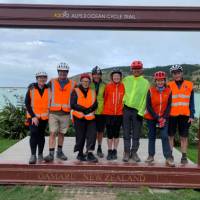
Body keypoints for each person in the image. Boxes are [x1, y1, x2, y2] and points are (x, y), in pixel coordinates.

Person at [44, 63, 76, 162]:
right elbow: (42, 88)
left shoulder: (73, 84)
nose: (63, 73)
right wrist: (33, 85)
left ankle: (59, 152)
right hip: (53, 113)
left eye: (65, 72)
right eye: (61, 71)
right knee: (53, 132)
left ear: (67, 73)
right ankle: (51, 154)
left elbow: (81, 91)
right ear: (58, 72)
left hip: (66, 113)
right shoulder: (52, 82)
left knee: (62, 133)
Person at [144, 71, 175, 167]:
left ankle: (168, 157)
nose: (160, 82)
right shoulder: (150, 90)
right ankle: (150, 155)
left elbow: (169, 106)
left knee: (165, 136)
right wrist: (157, 117)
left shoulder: (169, 91)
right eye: (158, 80)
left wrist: (164, 117)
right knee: (151, 136)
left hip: (164, 118)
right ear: (155, 81)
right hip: (152, 117)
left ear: (165, 81)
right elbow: (148, 106)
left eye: (162, 80)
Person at [122, 60, 149, 162]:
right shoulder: (126, 79)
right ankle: (126, 152)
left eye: (138, 69)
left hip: (137, 111)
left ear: (141, 70)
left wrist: (141, 112)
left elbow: (146, 99)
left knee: (136, 133)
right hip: (126, 109)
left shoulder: (146, 82)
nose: (136, 70)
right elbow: (121, 91)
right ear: (131, 70)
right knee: (126, 132)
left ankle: (134, 153)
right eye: (134, 69)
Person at [168, 64, 195, 164]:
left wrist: (192, 115)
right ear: (172, 75)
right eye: (174, 73)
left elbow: (191, 102)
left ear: (181, 73)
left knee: (184, 137)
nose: (176, 75)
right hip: (172, 115)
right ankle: (170, 155)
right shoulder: (169, 85)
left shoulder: (189, 84)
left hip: (185, 115)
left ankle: (184, 156)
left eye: (178, 72)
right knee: (170, 136)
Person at [71, 73, 98, 162]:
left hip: (90, 117)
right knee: (80, 136)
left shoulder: (93, 91)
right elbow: (73, 104)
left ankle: (89, 153)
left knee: (92, 135)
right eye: (84, 81)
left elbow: (95, 104)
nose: (85, 83)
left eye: (87, 81)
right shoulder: (75, 91)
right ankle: (80, 153)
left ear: (89, 82)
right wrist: (84, 110)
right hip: (79, 117)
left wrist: (89, 109)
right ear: (81, 81)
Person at [25, 71, 49, 164]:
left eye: (44, 77)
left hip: (44, 117)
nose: (42, 79)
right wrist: (33, 116)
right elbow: (27, 103)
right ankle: (33, 155)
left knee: (41, 135)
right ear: (37, 79)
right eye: (40, 77)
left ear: (46, 79)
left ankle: (40, 155)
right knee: (34, 133)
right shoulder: (31, 88)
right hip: (32, 117)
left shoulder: (49, 89)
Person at [103, 68, 125, 160]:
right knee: (109, 134)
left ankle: (115, 151)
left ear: (120, 77)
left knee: (116, 134)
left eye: (118, 76)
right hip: (108, 113)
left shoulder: (123, 86)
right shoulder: (108, 86)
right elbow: (105, 98)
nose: (116, 77)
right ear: (112, 77)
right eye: (114, 76)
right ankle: (109, 151)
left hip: (119, 114)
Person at [90, 66, 106, 158]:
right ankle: (90, 149)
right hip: (90, 112)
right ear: (92, 75)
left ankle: (99, 148)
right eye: (95, 74)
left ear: (100, 75)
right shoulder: (89, 84)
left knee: (100, 131)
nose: (97, 76)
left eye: (98, 74)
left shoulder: (104, 85)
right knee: (91, 132)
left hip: (101, 112)